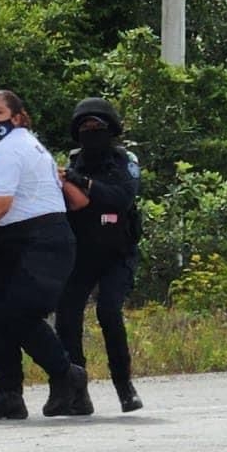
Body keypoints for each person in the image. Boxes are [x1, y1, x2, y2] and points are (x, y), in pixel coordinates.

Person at [0, 89, 89, 420]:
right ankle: (9, 395)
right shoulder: (27, 143)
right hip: (29, 240)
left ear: (16, 117)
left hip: (39, 241)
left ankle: (69, 376)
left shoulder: (8, 151)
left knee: (18, 314)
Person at [57, 97, 144, 413]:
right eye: (85, 127)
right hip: (82, 254)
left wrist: (83, 183)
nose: (91, 132)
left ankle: (125, 387)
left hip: (118, 254)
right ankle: (76, 392)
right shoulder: (73, 161)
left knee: (109, 311)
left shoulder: (124, 161)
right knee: (67, 316)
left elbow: (119, 199)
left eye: (98, 127)